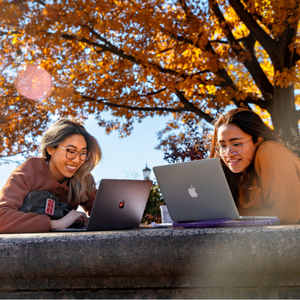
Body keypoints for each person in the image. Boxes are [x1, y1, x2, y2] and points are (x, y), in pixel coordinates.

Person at [0, 118, 101, 233]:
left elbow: (103, 211)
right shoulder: (31, 170)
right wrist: (56, 223)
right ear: (50, 149)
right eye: (71, 151)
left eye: (83, 153)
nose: (77, 160)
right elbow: (2, 217)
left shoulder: (82, 178)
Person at [210, 108, 300, 224]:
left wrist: (235, 219)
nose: (228, 153)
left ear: (257, 140)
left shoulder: (270, 150)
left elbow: (286, 214)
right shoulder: (234, 175)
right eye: (222, 146)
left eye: (236, 144)